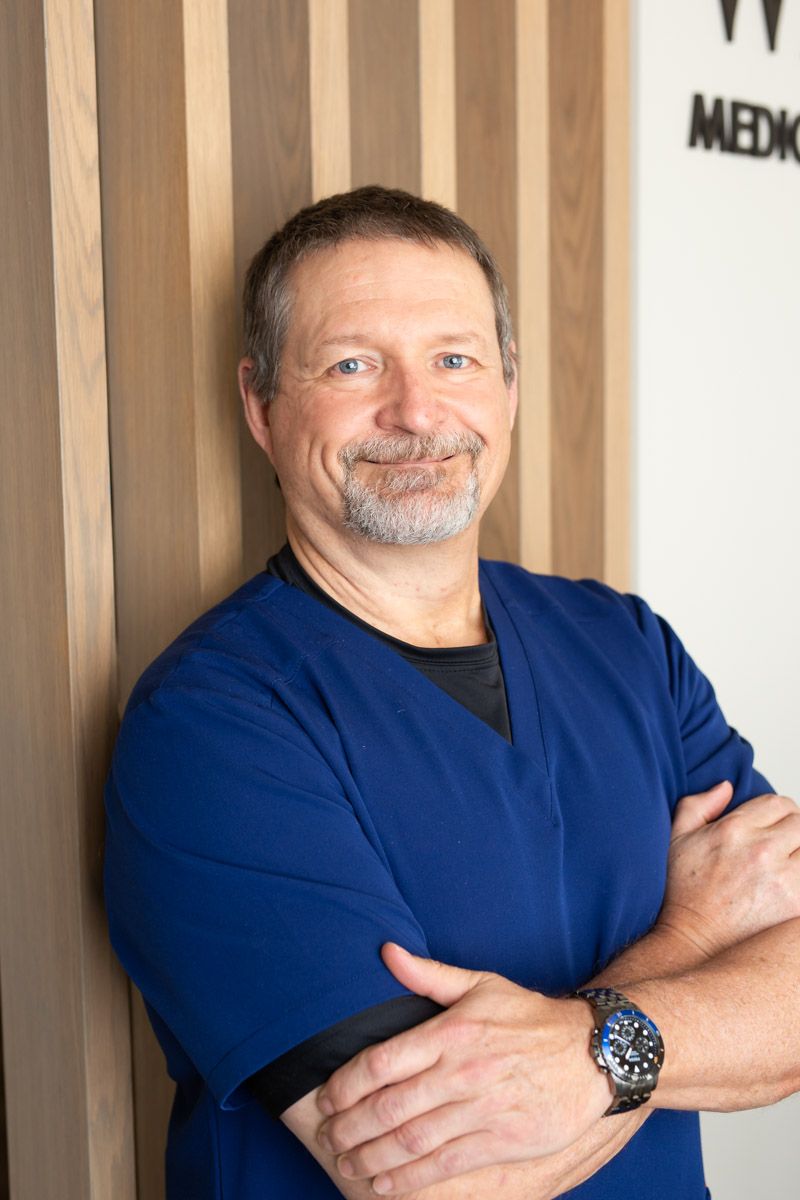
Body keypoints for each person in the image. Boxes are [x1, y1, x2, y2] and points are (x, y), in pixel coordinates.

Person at [103, 186, 800, 1200]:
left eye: (454, 359)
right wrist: (690, 946)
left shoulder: (623, 645)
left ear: (507, 389)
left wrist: (577, 1055)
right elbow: (431, 1177)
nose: (416, 412)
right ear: (260, 405)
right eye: (352, 365)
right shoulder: (213, 726)